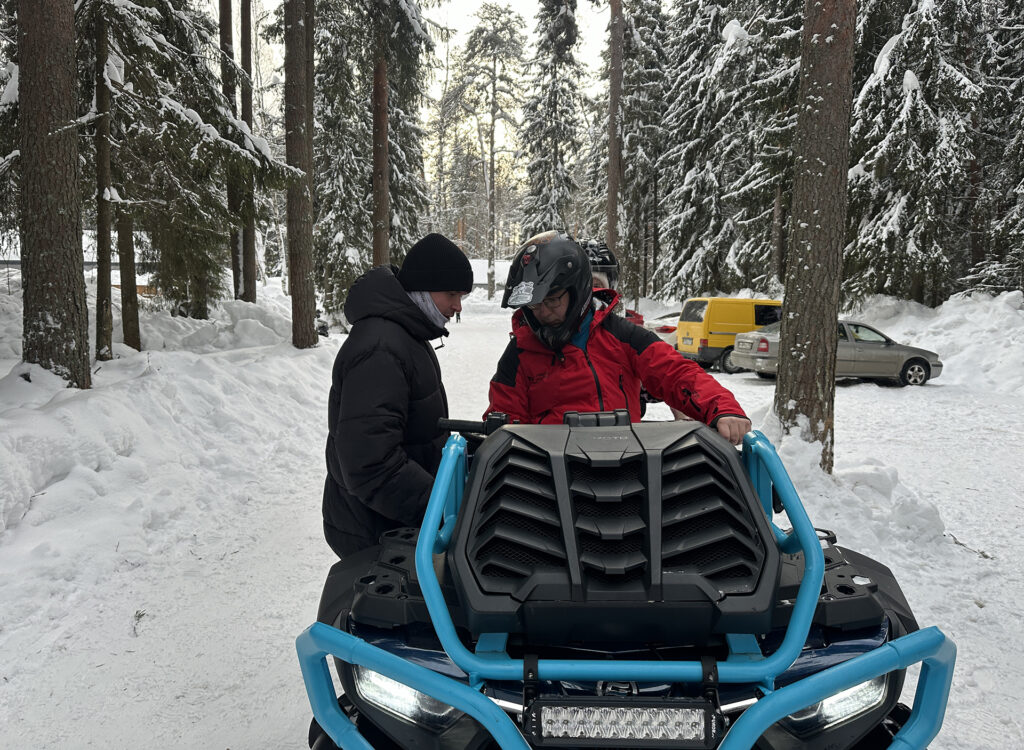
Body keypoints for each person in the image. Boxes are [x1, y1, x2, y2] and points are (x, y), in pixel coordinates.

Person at [486, 231, 751, 445]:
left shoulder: (623, 336)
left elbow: (677, 373)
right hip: (550, 478)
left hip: (627, 467)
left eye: (552, 300)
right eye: (534, 305)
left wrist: (722, 408)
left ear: (578, 291)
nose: (542, 312)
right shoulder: (519, 354)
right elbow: (506, 423)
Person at [323, 233, 473, 558]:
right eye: (451, 294)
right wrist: (442, 508)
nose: (457, 306)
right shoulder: (381, 348)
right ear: (423, 287)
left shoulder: (405, 335)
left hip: (392, 520)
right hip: (375, 530)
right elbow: (371, 463)